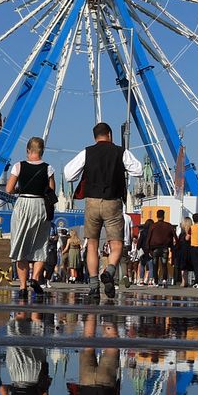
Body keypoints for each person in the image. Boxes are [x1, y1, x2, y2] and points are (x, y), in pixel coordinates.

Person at [64, 123, 144, 302]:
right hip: (112, 202)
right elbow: (138, 170)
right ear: (110, 134)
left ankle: (93, 287)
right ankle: (109, 271)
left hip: (92, 201)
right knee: (116, 245)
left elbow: (69, 174)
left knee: (92, 244)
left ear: (95, 137)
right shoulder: (120, 152)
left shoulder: (87, 152)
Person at [3, 135, 57, 299]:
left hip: (23, 205)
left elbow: (9, 189)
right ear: (42, 151)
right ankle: (35, 278)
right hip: (40, 205)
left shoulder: (19, 166)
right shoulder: (48, 168)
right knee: (40, 244)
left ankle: (22, 287)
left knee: (20, 246)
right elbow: (51, 191)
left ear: (28, 150)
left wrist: (21, 188)